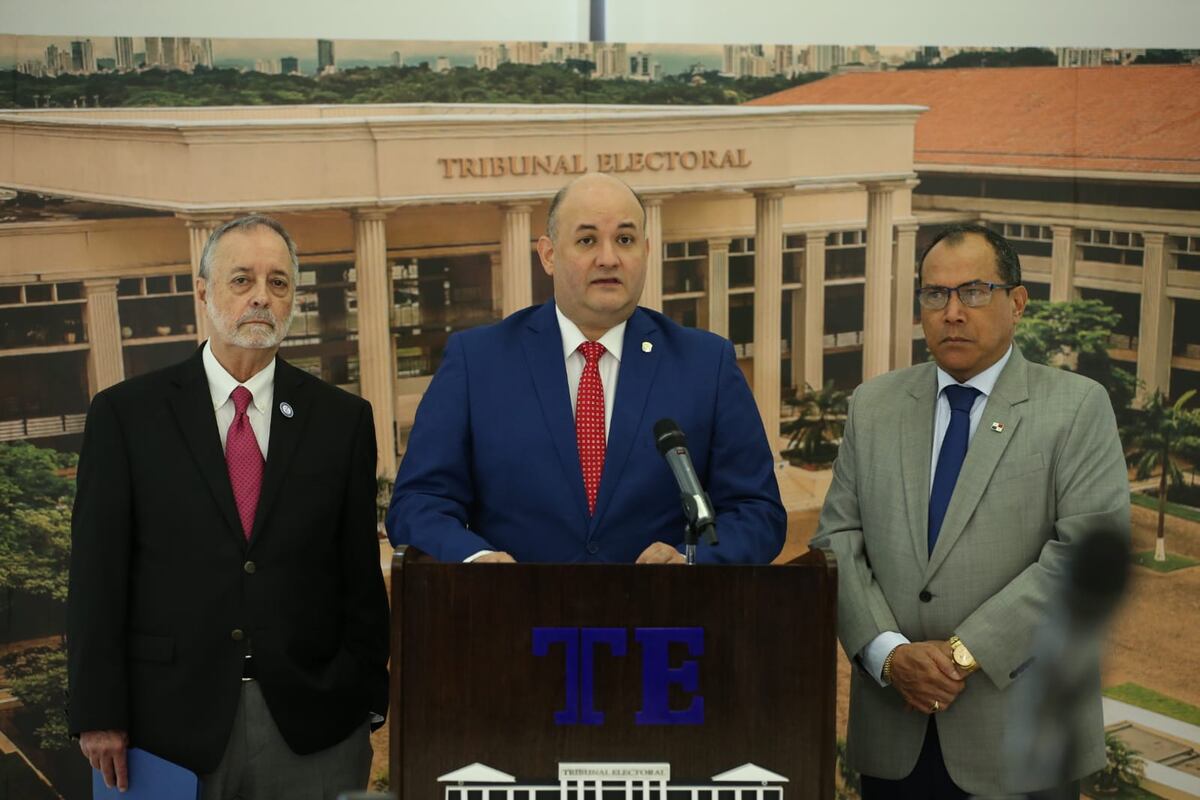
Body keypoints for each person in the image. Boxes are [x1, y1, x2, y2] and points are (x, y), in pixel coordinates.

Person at [68, 215, 389, 800]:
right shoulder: (126, 416)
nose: (261, 296)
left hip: (314, 727)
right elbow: (96, 577)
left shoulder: (342, 420)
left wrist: (366, 698)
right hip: (165, 727)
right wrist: (97, 711)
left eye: (278, 282)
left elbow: (360, 576)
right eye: (242, 280)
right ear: (203, 292)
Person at [810, 224, 1129, 798]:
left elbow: (1083, 559)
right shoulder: (874, 405)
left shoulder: (1077, 407)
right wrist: (890, 654)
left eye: (974, 292)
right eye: (935, 294)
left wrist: (959, 656)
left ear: (1018, 302)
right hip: (895, 734)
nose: (952, 312)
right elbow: (837, 540)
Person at [387, 172, 785, 564]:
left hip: (661, 607)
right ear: (548, 255)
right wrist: (476, 560)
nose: (609, 258)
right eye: (587, 240)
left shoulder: (706, 364)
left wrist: (692, 562)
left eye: (625, 240)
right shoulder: (477, 361)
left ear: (646, 251)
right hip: (514, 604)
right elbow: (418, 502)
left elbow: (757, 511)